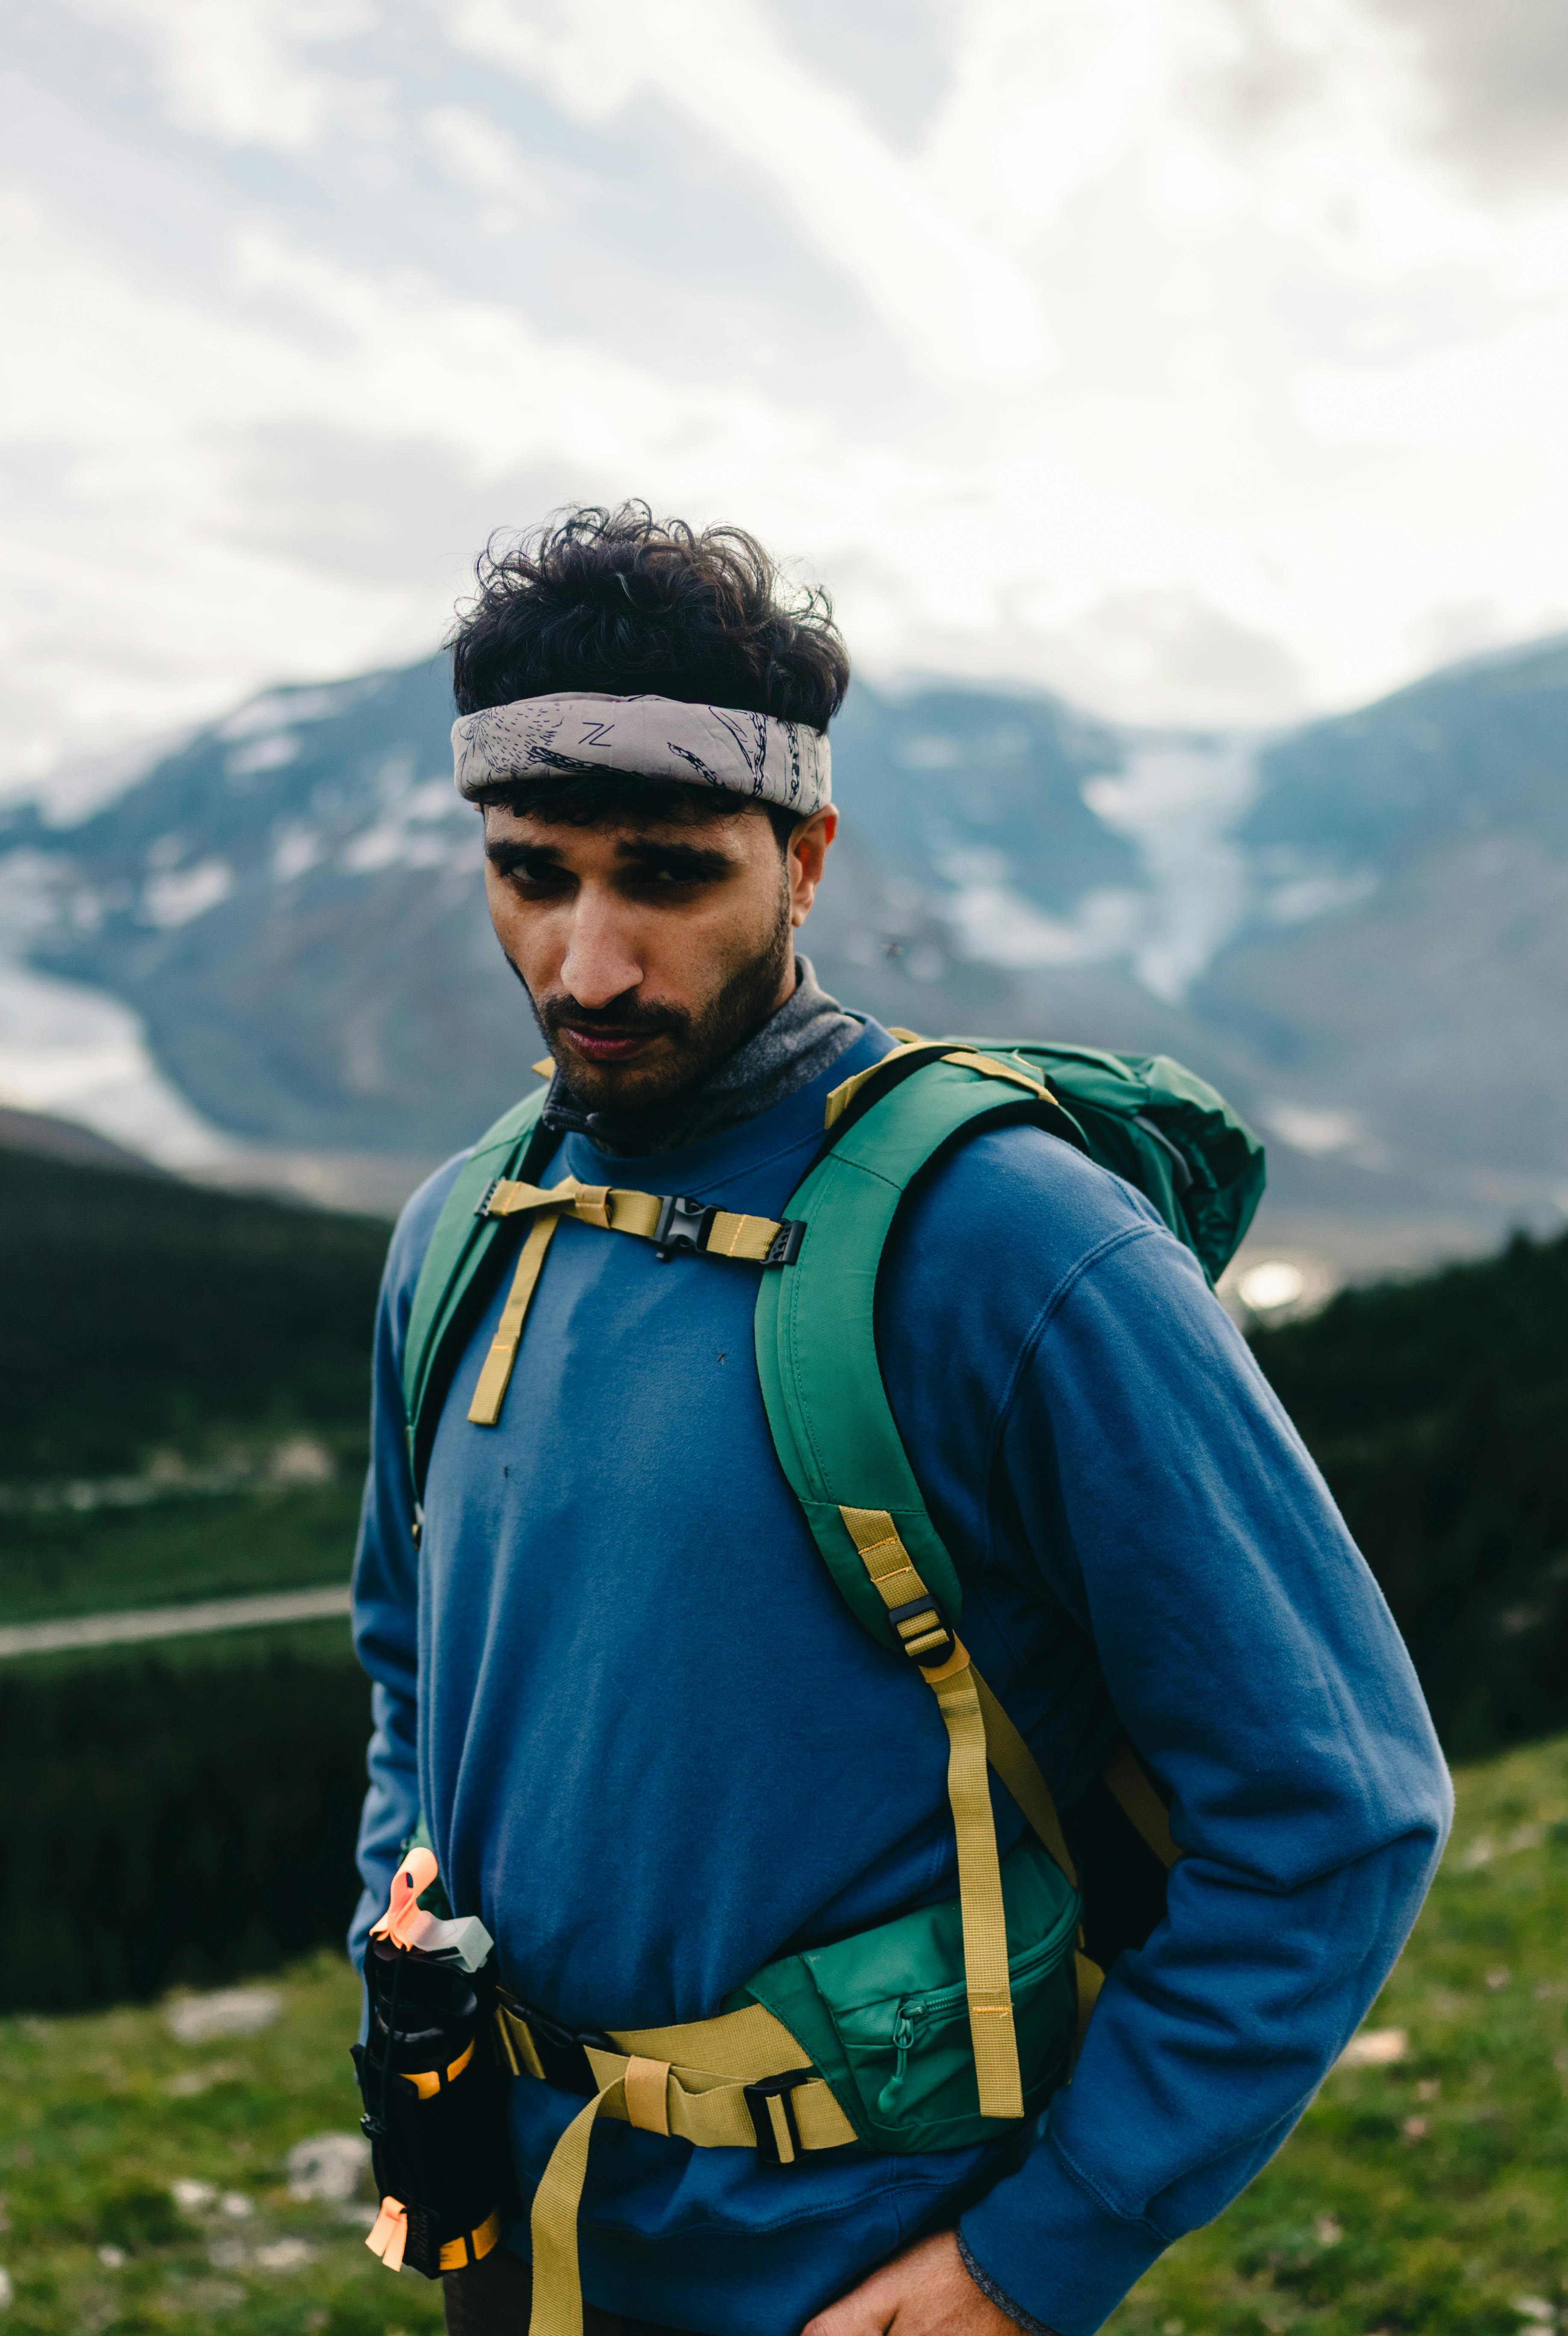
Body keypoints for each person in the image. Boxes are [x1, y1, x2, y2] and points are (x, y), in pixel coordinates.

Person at [348, 505, 1449, 2336]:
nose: (588, 965)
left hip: (863, 2266)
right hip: (527, 2234)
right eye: (532, 874)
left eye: (669, 876)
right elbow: (407, 1657)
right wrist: (398, 1940)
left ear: (807, 858)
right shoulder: (459, 1229)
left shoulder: (1013, 1246)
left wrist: (1034, 2258)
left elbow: (1333, 1806)